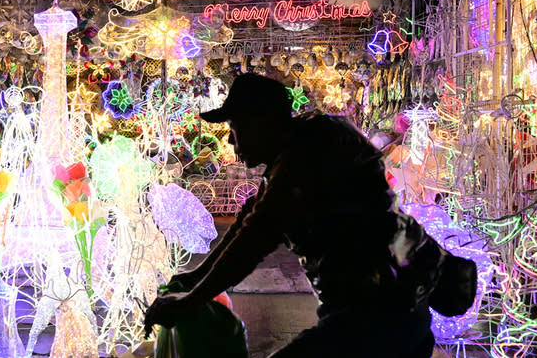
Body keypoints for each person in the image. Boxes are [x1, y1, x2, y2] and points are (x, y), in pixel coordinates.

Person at [144, 73, 441, 357]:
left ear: (260, 124)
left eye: (234, 129)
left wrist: (191, 302)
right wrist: (196, 277)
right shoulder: (295, 148)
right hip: (375, 312)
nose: (232, 143)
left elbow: (256, 236)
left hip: (381, 316)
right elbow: (251, 218)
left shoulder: (308, 153)